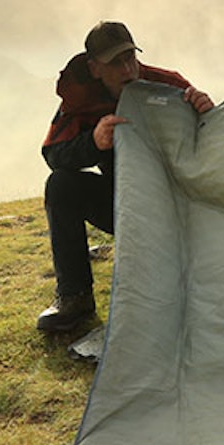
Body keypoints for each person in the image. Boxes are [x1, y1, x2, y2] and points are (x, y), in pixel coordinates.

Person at [37, 20, 214, 332]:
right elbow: (54, 154)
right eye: (115, 63)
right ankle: (74, 297)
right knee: (61, 186)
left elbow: (210, 147)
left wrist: (206, 113)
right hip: (125, 205)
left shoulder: (168, 84)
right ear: (94, 68)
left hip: (178, 207)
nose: (128, 69)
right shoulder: (82, 98)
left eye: (131, 57)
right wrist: (93, 141)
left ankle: (190, 272)